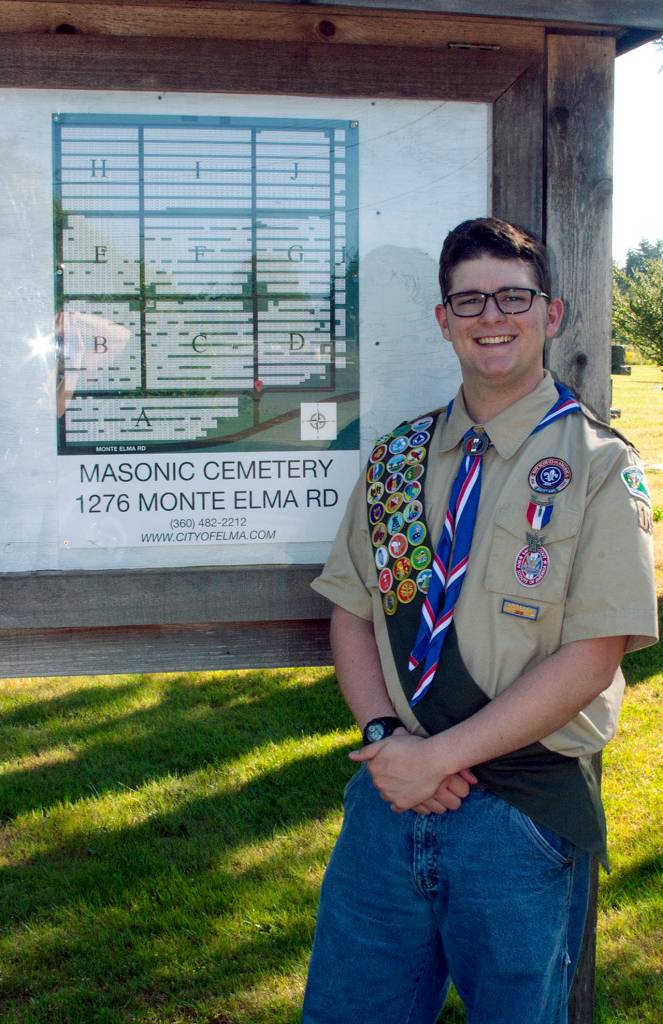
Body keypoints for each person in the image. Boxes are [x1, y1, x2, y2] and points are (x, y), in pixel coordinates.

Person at [302, 218, 658, 1024]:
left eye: (512, 297)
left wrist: (439, 758)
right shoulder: (396, 460)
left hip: (519, 813)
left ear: (550, 313)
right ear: (443, 319)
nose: (490, 315)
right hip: (390, 800)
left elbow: (594, 654)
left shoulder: (598, 465)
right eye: (468, 300)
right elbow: (352, 612)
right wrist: (389, 741)